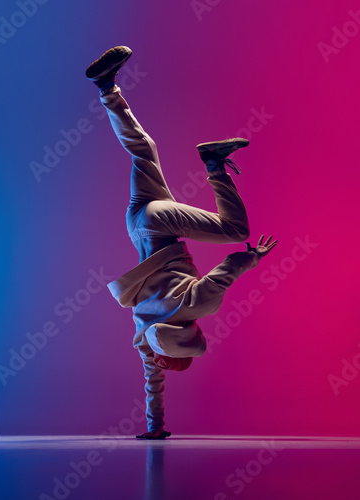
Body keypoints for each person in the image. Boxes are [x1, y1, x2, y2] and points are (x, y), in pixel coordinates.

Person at [85, 46, 277, 440]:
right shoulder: (145, 332)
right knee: (144, 151)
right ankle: (107, 87)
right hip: (138, 224)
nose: (157, 359)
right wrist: (156, 429)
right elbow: (152, 386)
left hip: (161, 224)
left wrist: (252, 258)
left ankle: (212, 162)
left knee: (236, 232)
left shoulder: (195, 307)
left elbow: (226, 271)